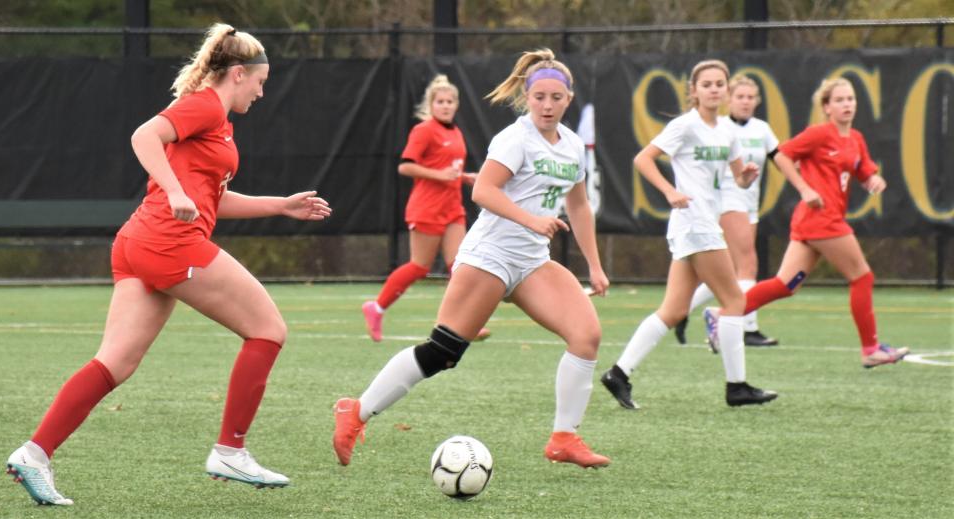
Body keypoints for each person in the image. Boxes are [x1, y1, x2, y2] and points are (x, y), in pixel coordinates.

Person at [5, 23, 332, 506]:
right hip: (169, 243)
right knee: (268, 330)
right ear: (238, 73)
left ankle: (34, 454)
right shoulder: (203, 104)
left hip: (139, 241)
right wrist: (176, 191)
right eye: (260, 81)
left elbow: (213, 199)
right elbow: (143, 136)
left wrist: (280, 205)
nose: (263, 91)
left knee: (114, 362)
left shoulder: (217, 121)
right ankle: (230, 450)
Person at [333, 49, 612, 469]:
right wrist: (531, 220)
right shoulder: (515, 139)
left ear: (569, 98)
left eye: (556, 97)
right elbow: (483, 191)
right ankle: (356, 411)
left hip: (532, 263)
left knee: (586, 336)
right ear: (526, 96)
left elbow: (578, 206)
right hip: (491, 256)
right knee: (443, 352)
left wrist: (594, 265)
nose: (548, 105)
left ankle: (564, 438)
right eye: (539, 97)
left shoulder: (572, 146)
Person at [600, 60, 778, 411]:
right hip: (695, 224)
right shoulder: (685, 126)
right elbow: (643, 159)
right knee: (735, 302)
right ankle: (737, 387)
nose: (714, 89)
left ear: (726, 90)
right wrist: (669, 191)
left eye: (719, 84)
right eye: (706, 84)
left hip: (702, 223)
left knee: (674, 309)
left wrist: (747, 177)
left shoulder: (728, 131)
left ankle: (618, 373)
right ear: (693, 91)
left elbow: (738, 176)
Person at [704, 78, 909, 369]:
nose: (847, 105)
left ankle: (722, 314)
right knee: (862, 277)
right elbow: (784, 155)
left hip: (816, 222)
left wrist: (871, 178)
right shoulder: (819, 134)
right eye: (839, 100)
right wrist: (804, 188)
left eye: (850, 99)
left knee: (785, 285)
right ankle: (871, 349)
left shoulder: (855, 138)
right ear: (826, 107)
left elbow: (862, 167)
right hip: (821, 219)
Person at [360, 75, 488, 342]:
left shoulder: (455, 132)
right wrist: (440, 176)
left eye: (450, 101)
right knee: (420, 266)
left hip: (453, 207)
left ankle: (463, 323)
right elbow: (405, 166)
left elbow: (450, 167)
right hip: (427, 207)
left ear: (456, 105)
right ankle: (377, 307)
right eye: (440, 101)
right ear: (431, 105)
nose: (445, 105)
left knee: (460, 265)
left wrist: (465, 177)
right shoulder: (424, 130)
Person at [674, 75, 781, 348]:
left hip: (749, 202)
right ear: (729, 99)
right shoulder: (717, 128)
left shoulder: (760, 128)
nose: (745, 102)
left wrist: (804, 184)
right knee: (748, 266)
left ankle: (682, 310)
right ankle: (747, 326)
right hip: (728, 201)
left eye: (750, 97)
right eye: (740, 96)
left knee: (729, 273)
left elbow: (781, 159)